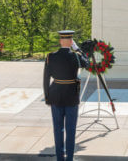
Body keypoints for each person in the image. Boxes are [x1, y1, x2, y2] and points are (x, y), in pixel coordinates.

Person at [43, 30, 90, 161]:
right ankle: (69, 158)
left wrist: (47, 97)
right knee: (71, 130)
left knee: (58, 130)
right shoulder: (76, 56)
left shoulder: (50, 57)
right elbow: (87, 63)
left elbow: (46, 79)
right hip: (71, 97)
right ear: (70, 42)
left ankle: (60, 158)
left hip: (55, 96)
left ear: (60, 41)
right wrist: (77, 49)